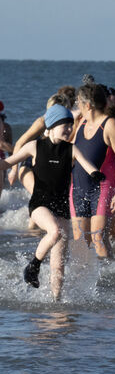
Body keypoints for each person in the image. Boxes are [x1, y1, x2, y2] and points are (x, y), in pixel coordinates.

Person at [0, 105, 75, 299]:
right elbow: (8, 162)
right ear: (51, 125)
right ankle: (33, 266)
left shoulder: (70, 150)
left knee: (59, 262)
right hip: (40, 203)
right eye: (63, 125)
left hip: (62, 206)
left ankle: (56, 301)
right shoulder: (36, 146)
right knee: (54, 232)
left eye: (70, 125)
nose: (68, 129)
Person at [70, 83, 115, 259]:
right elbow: (73, 153)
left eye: (78, 102)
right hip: (78, 186)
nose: (77, 105)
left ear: (87, 104)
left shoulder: (111, 124)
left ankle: (107, 283)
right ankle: (82, 282)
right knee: (79, 240)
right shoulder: (81, 122)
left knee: (99, 238)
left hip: (103, 187)